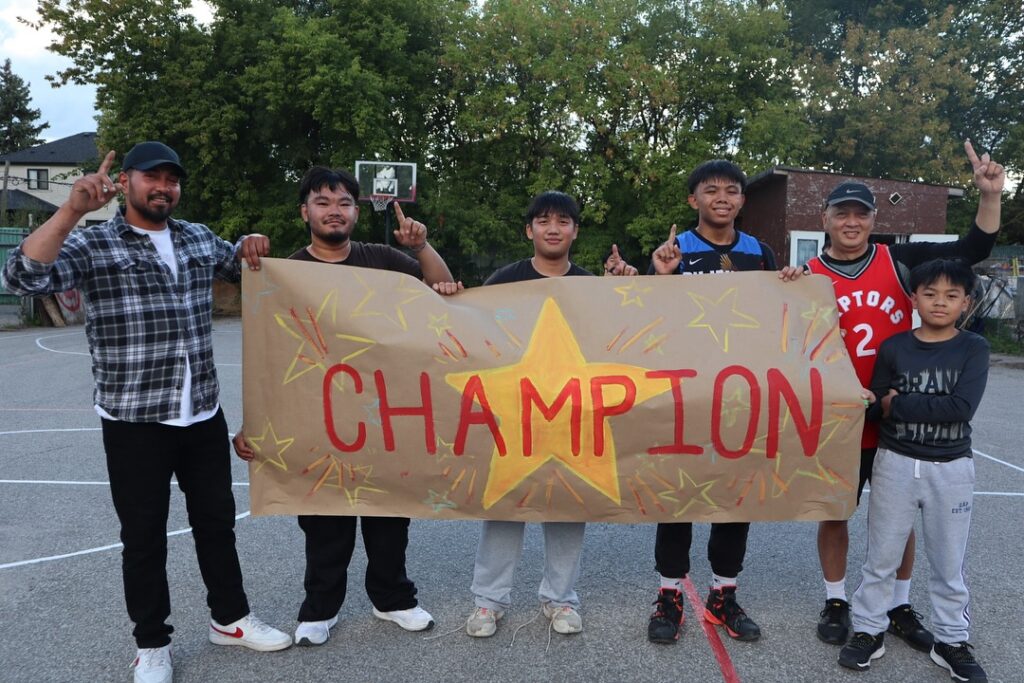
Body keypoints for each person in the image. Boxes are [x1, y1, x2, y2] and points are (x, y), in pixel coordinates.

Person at [1, 141, 290, 683]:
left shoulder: (196, 237)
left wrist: (251, 243)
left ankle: (230, 619)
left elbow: (244, 265)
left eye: (171, 179)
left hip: (201, 412)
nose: (163, 187)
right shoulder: (93, 242)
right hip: (134, 418)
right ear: (126, 182)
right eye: (151, 177)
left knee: (216, 524)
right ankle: (152, 643)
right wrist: (70, 210)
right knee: (143, 537)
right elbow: (22, 278)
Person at [233, 166, 460, 647]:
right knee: (323, 521)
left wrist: (421, 246)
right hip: (319, 417)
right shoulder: (287, 274)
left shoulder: (382, 259)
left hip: (385, 413)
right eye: (323, 202)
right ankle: (320, 607)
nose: (333, 211)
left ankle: (392, 598)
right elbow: (269, 356)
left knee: (390, 517)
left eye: (343, 203)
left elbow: (444, 288)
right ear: (305, 212)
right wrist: (253, 422)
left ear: (357, 211)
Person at [806, 141, 1004, 649]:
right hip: (838, 417)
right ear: (824, 219)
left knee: (900, 518)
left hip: (896, 414)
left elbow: (973, 248)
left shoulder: (899, 261)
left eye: (861, 214)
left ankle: (897, 603)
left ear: (874, 220)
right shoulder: (805, 277)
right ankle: (836, 599)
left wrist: (989, 196)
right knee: (835, 511)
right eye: (841, 213)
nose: (852, 222)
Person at [465, 191, 637, 638]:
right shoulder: (505, 281)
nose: (553, 228)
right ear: (530, 230)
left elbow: (618, 337)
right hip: (517, 415)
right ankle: (488, 602)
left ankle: (560, 599)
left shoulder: (590, 286)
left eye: (563, 221)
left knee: (568, 505)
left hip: (573, 416)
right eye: (543, 221)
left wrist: (624, 290)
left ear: (575, 231)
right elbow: (474, 330)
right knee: (504, 506)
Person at [646, 159, 799, 644]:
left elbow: (779, 320)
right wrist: (660, 276)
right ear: (693, 200)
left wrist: (793, 287)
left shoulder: (761, 253)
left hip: (740, 395)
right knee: (677, 495)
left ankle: (723, 595)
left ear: (742, 200)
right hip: (686, 393)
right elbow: (646, 320)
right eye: (711, 190)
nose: (722, 198)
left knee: (736, 496)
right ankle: (669, 594)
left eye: (731, 190)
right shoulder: (674, 251)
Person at [839, 258, 990, 683]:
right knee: (881, 558)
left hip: (951, 468)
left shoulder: (973, 348)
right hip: (895, 463)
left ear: (966, 303)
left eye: (951, 295)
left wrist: (896, 402)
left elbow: (960, 408)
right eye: (930, 294)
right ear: (913, 299)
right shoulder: (894, 347)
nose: (940, 302)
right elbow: (876, 407)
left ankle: (951, 641)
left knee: (948, 563)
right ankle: (869, 630)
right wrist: (871, 402)